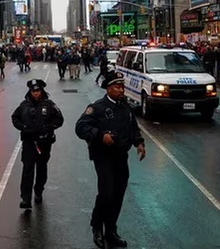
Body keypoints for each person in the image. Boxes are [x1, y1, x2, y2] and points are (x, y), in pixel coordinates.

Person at [75, 71, 145, 248]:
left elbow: (133, 126)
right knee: (106, 193)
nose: (121, 90)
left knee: (118, 195)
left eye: (122, 87)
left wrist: (139, 143)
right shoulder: (97, 107)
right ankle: (97, 227)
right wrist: (100, 135)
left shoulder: (125, 106)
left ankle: (111, 230)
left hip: (121, 156)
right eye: (117, 87)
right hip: (103, 156)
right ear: (108, 88)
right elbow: (81, 127)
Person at [11, 79, 64, 209]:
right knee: (27, 169)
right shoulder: (24, 105)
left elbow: (60, 119)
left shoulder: (49, 105)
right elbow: (15, 117)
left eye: (38, 91)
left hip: (44, 142)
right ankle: (26, 199)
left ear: (42, 91)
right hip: (29, 142)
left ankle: (38, 191)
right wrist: (22, 127)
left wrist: (49, 127)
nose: (36, 93)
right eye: (33, 91)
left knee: (41, 169)